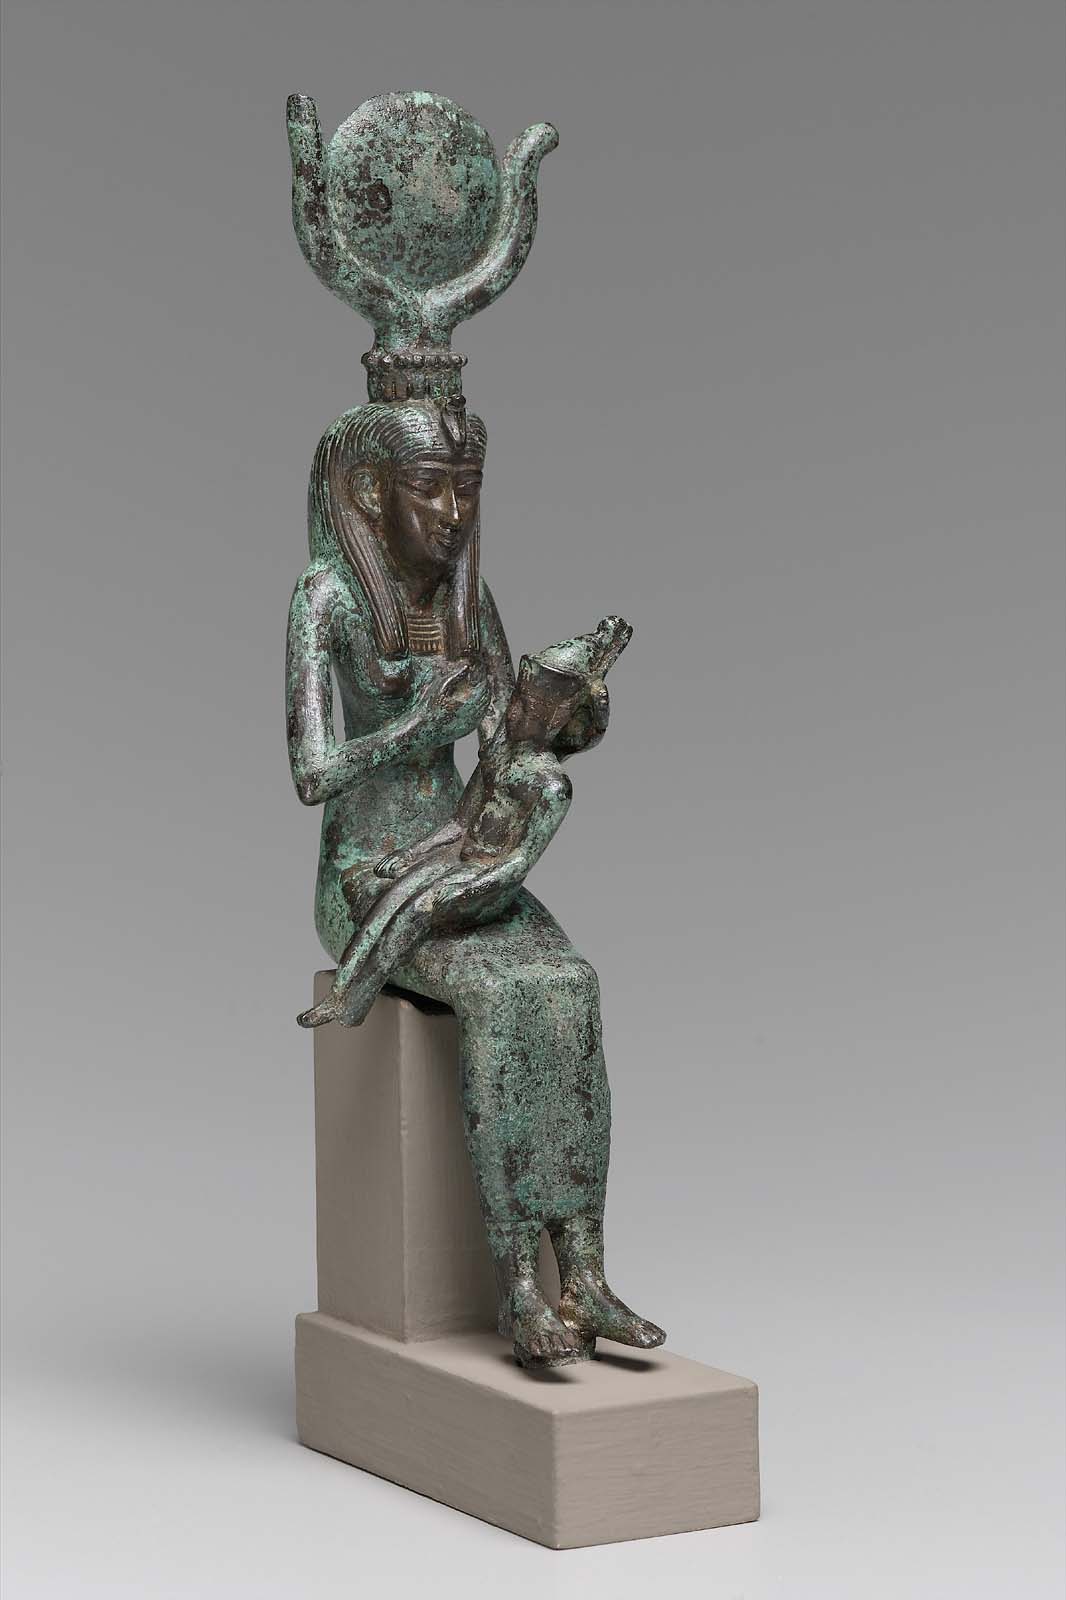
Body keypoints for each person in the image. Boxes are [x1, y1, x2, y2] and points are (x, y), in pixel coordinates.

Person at [286, 395, 664, 1367]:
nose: (453, 513)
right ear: (368, 491)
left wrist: (564, 721)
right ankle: (517, 1286)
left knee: (569, 984)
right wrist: (417, 730)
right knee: (501, 996)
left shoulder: (469, 603)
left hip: (463, 853)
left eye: (468, 488)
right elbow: (313, 773)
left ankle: (585, 1272)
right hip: (369, 872)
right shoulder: (327, 600)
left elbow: (504, 739)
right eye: (429, 487)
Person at [297, 617, 633, 1031]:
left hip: (490, 878)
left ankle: (353, 1002)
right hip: (460, 856)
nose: (513, 712)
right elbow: (460, 822)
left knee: (416, 910)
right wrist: (413, 854)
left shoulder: (550, 786)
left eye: (529, 709)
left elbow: (518, 862)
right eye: (517, 700)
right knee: (392, 897)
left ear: (558, 723)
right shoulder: (500, 755)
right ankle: (342, 995)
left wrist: (467, 886)